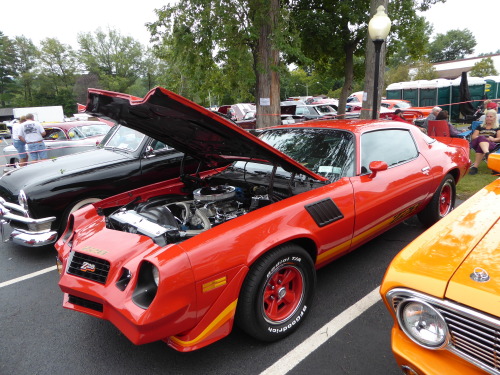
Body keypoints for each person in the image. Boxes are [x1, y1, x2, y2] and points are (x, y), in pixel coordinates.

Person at [469, 109, 500, 175]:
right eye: (487, 116)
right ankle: (487, 154)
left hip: (491, 144)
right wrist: (483, 138)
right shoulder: (480, 126)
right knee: (481, 138)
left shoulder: (498, 127)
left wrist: (493, 139)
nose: (488, 118)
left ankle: (475, 168)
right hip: (477, 142)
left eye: (490, 116)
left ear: (494, 118)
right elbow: (474, 137)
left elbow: (499, 139)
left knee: (481, 145)